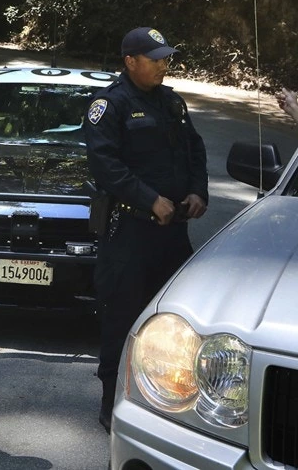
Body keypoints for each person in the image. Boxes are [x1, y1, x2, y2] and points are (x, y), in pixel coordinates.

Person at [83, 27, 209, 434]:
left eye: (165, 58)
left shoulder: (171, 102)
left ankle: (171, 403)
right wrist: (148, 198)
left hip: (171, 235)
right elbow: (105, 165)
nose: (163, 65)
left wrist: (197, 190)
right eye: (154, 59)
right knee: (121, 321)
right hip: (129, 233)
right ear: (130, 61)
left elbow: (195, 149)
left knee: (179, 320)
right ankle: (111, 405)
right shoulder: (110, 104)